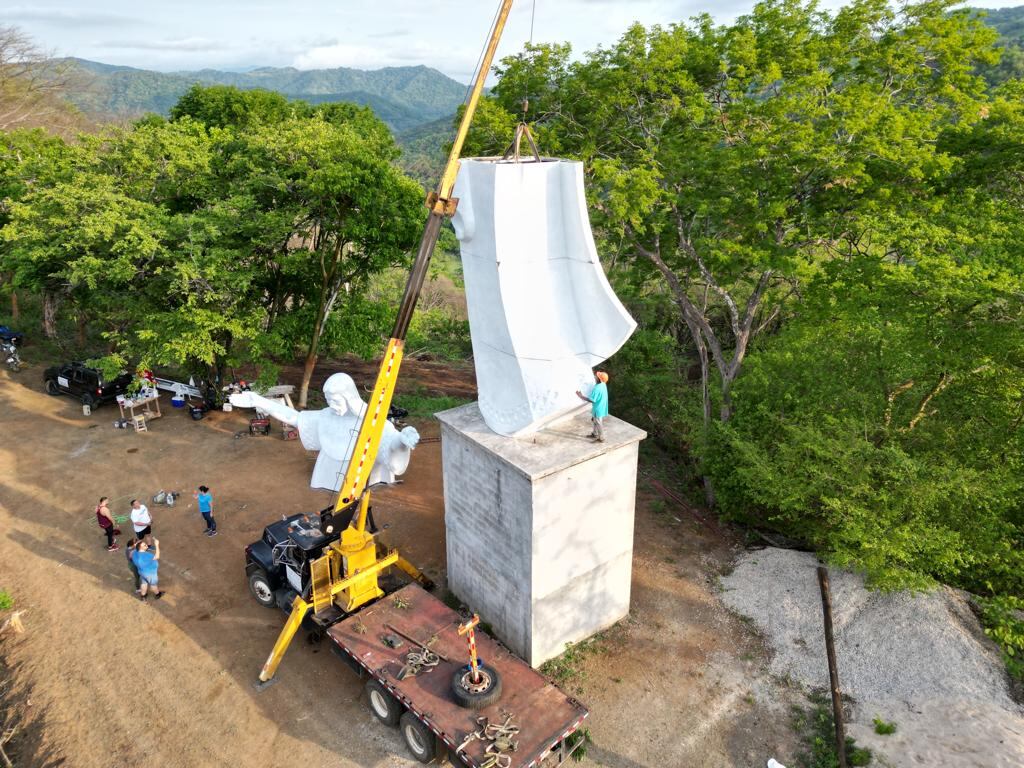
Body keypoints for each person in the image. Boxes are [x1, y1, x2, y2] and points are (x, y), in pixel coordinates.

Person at [229, 372, 419, 493]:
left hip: (360, 478)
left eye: (336, 400)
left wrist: (402, 442)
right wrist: (259, 401)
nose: (332, 406)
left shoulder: (371, 421)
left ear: (349, 397)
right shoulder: (325, 416)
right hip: (327, 472)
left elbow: (389, 443)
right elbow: (294, 417)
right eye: (328, 400)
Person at [575, 370, 610, 442]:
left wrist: (581, 396)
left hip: (598, 408)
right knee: (595, 421)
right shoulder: (603, 384)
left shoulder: (597, 388)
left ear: (599, 379)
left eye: (597, 376)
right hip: (601, 406)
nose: (595, 377)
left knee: (598, 423)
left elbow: (592, 400)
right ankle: (595, 434)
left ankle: (601, 438)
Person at [131, 536, 164, 601]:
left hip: (142, 572)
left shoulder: (135, 552)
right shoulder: (147, 555)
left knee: (144, 583)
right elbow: (157, 556)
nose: (146, 545)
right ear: (140, 548)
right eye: (144, 545)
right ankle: (158, 594)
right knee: (153, 585)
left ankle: (143, 596)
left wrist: (136, 544)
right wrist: (157, 545)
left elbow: (135, 549)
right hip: (150, 574)